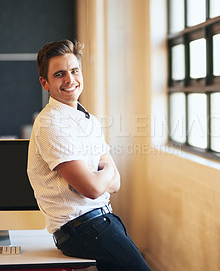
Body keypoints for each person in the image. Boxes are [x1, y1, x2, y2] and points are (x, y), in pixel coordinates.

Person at [27, 39, 151, 271]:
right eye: (59, 74)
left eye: (74, 71)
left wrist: (104, 175)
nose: (70, 79)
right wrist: (108, 169)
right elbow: (92, 189)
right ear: (44, 82)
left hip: (102, 220)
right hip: (81, 228)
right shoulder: (51, 124)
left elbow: (115, 184)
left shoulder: (88, 120)